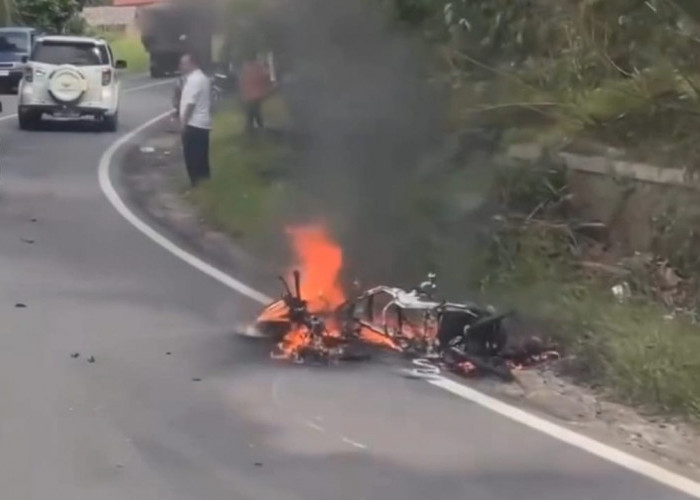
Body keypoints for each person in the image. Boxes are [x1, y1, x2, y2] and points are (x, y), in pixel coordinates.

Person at [174, 52, 212, 187]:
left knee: (192, 159)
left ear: (192, 63)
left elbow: (190, 103)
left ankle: (196, 185)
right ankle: (204, 185)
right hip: (202, 124)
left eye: (184, 64)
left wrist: (183, 124)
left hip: (194, 124)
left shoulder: (194, 80)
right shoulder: (202, 78)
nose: (181, 66)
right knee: (201, 158)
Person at [239, 53, 272, 135]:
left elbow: (242, 81)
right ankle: (258, 131)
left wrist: (243, 94)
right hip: (256, 95)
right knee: (255, 113)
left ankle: (251, 131)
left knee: (251, 114)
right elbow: (266, 76)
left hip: (249, 96)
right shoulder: (259, 66)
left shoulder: (245, 68)